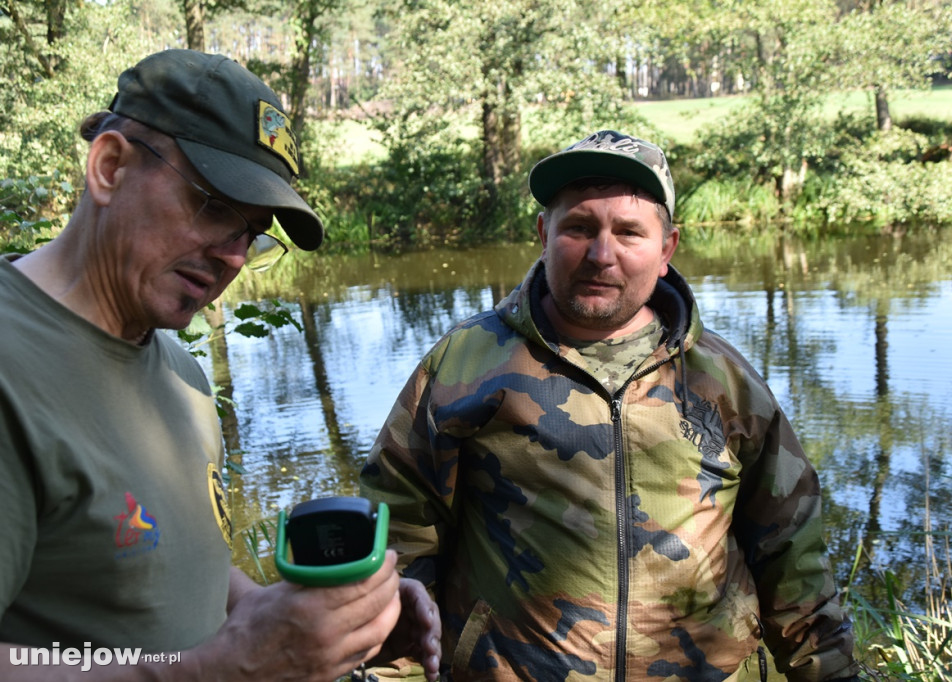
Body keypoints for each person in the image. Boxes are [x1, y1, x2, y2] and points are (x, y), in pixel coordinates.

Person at [0, 49, 440, 681]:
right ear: (109, 166)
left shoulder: (181, 372)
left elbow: (173, 574)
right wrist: (216, 669)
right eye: (213, 205)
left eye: (252, 233)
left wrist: (308, 628)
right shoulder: (12, 370)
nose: (234, 257)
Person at [359, 130, 859, 681]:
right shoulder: (464, 365)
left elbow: (792, 553)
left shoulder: (725, 380)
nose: (602, 255)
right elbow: (398, 534)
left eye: (629, 232)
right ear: (544, 234)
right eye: (579, 228)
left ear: (666, 249)